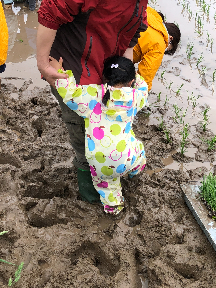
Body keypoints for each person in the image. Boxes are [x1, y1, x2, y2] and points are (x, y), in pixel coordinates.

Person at [37, 0, 192, 202]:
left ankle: (111, 167)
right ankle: (89, 189)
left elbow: (132, 37)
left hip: (106, 76)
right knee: (81, 132)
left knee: (109, 128)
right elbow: (49, 12)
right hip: (74, 75)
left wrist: (127, 80)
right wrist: (43, 63)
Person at [54, 56, 148, 215]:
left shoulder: (93, 95)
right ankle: (136, 170)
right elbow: (143, 87)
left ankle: (114, 208)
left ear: (104, 77)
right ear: (130, 82)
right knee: (138, 148)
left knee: (108, 188)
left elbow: (70, 94)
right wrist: (136, 76)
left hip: (100, 162)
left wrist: (60, 72)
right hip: (126, 157)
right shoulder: (135, 97)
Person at [133, 6, 181, 91]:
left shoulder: (150, 15)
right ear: (170, 38)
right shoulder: (159, 44)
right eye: (168, 48)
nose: (164, 49)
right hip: (114, 54)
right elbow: (145, 77)